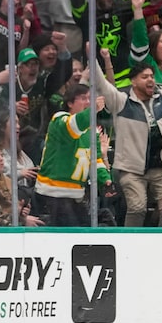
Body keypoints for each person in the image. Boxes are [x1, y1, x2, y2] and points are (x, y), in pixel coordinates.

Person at [92, 40, 162, 227]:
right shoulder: (121, 102)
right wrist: (93, 59)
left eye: (152, 77)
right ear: (133, 80)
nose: (151, 80)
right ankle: (130, 244)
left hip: (161, 169)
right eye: (145, 77)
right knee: (138, 207)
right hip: (131, 170)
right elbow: (103, 85)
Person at [33, 84, 114, 227]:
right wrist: (93, 110)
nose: (88, 102)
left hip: (76, 196)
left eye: (90, 99)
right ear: (70, 103)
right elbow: (74, 126)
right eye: (83, 98)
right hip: (51, 195)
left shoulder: (91, 130)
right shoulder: (59, 120)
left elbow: (95, 160)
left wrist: (105, 179)